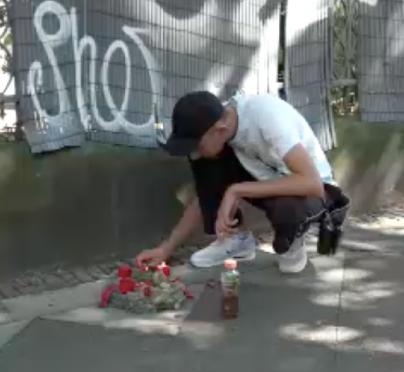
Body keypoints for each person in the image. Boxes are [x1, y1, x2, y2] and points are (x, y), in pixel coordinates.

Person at [135, 90, 348, 274]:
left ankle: (292, 239)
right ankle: (236, 240)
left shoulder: (266, 117)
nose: (194, 151)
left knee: (288, 210)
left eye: (196, 144)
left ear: (219, 129)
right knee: (206, 162)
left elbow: (312, 183)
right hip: (268, 177)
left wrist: (235, 191)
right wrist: (166, 248)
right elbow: (204, 194)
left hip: (316, 191)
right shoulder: (225, 128)